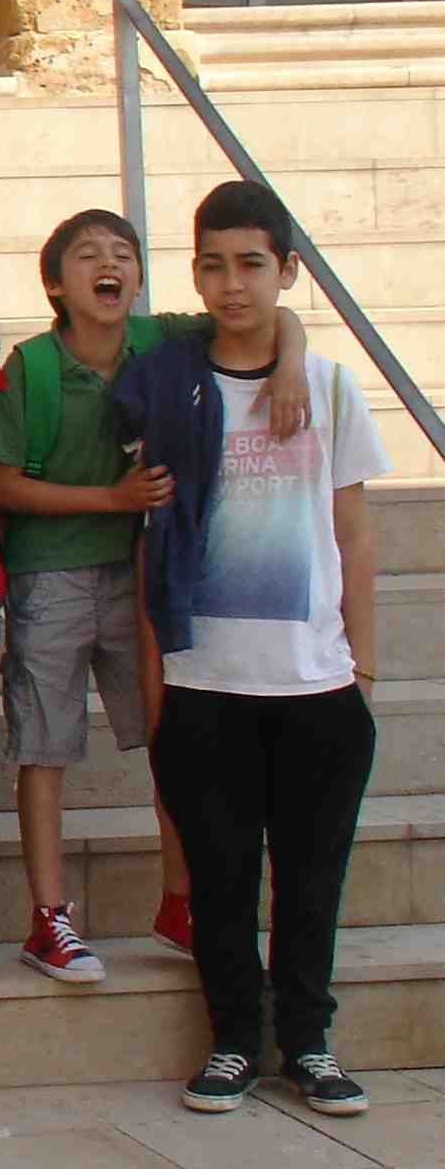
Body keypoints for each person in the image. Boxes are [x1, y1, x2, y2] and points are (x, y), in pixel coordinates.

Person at [0, 209, 309, 981]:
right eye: (88, 255)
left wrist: (290, 363)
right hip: (49, 576)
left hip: (142, 575)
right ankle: (49, 918)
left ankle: (179, 900)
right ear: (55, 283)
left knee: (172, 742)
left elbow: (277, 310)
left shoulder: (159, 339)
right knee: (44, 745)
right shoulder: (29, 366)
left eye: (122, 254)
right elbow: (1, 483)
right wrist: (113, 498)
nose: (108, 265)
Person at [118, 181, 386, 1119]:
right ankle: (234, 1039)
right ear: (193, 275)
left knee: (312, 880)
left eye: (251, 264)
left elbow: (350, 526)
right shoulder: (167, 380)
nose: (232, 284)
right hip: (204, 680)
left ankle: (309, 1041)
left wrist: (363, 663)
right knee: (222, 879)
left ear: (286, 272)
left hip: (315, 685)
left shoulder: (326, 384)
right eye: (212, 265)